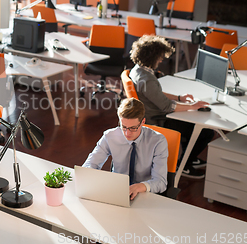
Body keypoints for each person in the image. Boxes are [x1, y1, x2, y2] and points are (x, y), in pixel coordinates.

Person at [129, 35, 214, 179]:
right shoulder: (147, 79)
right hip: (157, 119)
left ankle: (190, 158)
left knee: (196, 127)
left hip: (152, 112)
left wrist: (179, 98)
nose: (162, 60)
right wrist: (193, 106)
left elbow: (156, 93)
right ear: (152, 57)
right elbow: (167, 107)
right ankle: (184, 164)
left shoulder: (138, 70)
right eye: (160, 57)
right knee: (205, 132)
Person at [83, 98, 168, 200]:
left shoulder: (158, 141)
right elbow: (89, 165)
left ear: (143, 122)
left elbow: (161, 182)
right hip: (117, 192)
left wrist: (140, 186)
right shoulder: (110, 136)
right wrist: (88, 174)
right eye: (123, 127)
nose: (127, 133)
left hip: (144, 194)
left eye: (133, 128)